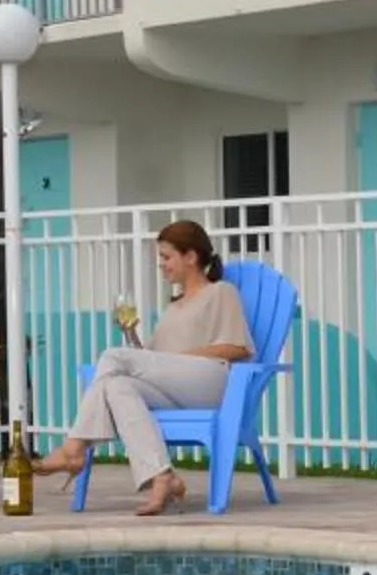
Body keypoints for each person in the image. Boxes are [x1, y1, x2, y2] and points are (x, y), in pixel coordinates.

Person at [35, 220, 253, 516]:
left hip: (212, 381)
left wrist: (183, 357)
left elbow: (238, 348)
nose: (161, 265)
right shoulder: (173, 308)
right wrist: (132, 334)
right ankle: (161, 475)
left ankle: (73, 450)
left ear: (191, 257)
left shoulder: (221, 292)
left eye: (166, 257)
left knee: (113, 357)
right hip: (176, 386)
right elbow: (149, 360)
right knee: (116, 385)